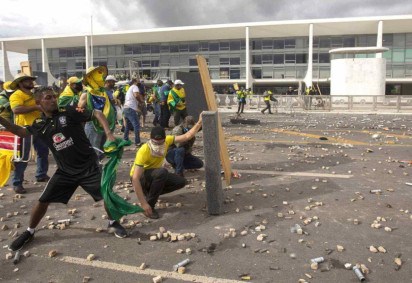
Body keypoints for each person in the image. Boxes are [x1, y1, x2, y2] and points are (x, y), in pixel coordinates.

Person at [1, 87, 130, 252]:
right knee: (42, 201)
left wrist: (109, 134)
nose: (54, 100)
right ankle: (30, 231)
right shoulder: (39, 124)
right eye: (49, 98)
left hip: (88, 167)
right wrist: (1, 120)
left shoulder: (69, 111)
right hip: (65, 172)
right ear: (38, 102)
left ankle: (113, 223)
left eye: (54, 97)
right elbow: (20, 131)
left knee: (106, 194)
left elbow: (97, 113)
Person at [130, 116, 203, 219]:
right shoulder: (144, 150)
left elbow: (187, 136)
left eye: (161, 143)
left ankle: (150, 194)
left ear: (165, 140)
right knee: (162, 172)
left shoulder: (168, 141)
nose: (158, 145)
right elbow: (135, 178)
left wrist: (199, 122)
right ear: (150, 139)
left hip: (154, 175)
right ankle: (149, 206)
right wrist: (143, 203)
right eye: (155, 143)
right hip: (141, 179)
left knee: (180, 181)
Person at [9, 73, 49, 194]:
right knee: (22, 157)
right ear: (21, 83)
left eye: (31, 80)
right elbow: (16, 109)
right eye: (28, 80)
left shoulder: (33, 94)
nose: (31, 82)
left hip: (38, 127)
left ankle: (41, 174)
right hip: (23, 130)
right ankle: (17, 183)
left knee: (43, 151)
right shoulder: (17, 95)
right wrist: (36, 107)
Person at [78, 66, 116, 157]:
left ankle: (99, 169)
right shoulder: (86, 94)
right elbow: (79, 110)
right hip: (93, 125)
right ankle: (93, 170)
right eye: (97, 74)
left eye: (101, 74)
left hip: (105, 125)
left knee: (102, 152)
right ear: (91, 77)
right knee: (93, 152)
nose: (101, 77)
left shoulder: (103, 92)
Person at [123, 79, 143, 146]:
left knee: (128, 125)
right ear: (135, 82)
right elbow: (136, 95)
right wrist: (141, 101)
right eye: (138, 81)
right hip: (130, 108)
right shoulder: (135, 86)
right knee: (136, 125)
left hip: (126, 108)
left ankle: (125, 139)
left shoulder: (129, 89)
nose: (139, 82)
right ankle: (137, 142)